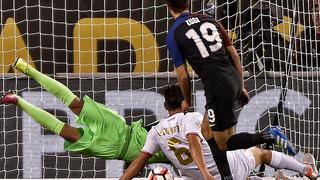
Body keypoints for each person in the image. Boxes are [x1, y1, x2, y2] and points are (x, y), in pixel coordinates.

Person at [165, 0, 297, 179]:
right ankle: (226, 176)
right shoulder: (210, 20)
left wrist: (186, 100)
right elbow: (234, 55)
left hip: (217, 87)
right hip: (232, 78)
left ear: (168, 7)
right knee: (206, 131)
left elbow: (182, 75)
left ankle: (269, 135)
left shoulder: (174, 33)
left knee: (224, 143)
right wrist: (240, 85)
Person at [120, 85, 319, 180]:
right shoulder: (193, 118)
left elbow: (139, 161)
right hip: (221, 171)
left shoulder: (156, 131)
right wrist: (207, 174)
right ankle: (307, 171)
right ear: (184, 102)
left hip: (195, 177)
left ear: (165, 107)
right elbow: (193, 142)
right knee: (260, 153)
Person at [0, 57, 169, 164]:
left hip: (113, 151)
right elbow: (152, 128)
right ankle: (28, 69)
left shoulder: (178, 158)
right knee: (75, 104)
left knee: (68, 134)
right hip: (120, 129)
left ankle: (17, 100)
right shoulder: (170, 128)